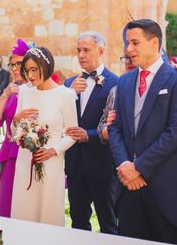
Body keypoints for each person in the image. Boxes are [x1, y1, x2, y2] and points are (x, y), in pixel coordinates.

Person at [109, 19, 177, 244]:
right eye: (128, 43)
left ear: (154, 42)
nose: (129, 49)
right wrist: (125, 166)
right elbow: (115, 128)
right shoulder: (125, 81)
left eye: (135, 43)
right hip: (127, 185)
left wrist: (140, 168)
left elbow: (176, 132)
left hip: (162, 186)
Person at [10, 46, 78, 226]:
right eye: (26, 71)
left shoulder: (65, 94)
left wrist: (52, 150)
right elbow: (14, 129)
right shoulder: (24, 91)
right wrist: (16, 119)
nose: (30, 75)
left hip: (51, 163)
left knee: (47, 212)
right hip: (25, 161)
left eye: (34, 69)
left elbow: (73, 134)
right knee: (24, 210)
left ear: (46, 65)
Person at [64, 31, 119, 234]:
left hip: (101, 162)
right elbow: (59, 118)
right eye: (78, 50)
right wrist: (70, 93)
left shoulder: (116, 82)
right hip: (75, 162)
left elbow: (117, 125)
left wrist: (90, 135)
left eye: (86, 50)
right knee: (77, 221)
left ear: (101, 50)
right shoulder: (68, 84)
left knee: (108, 221)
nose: (81, 55)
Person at [0, 38, 32, 217]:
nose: (14, 68)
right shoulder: (11, 93)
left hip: (30, 154)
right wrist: (5, 94)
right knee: (8, 203)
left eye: (19, 64)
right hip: (10, 154)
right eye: (11, 64)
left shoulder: (37, 91)